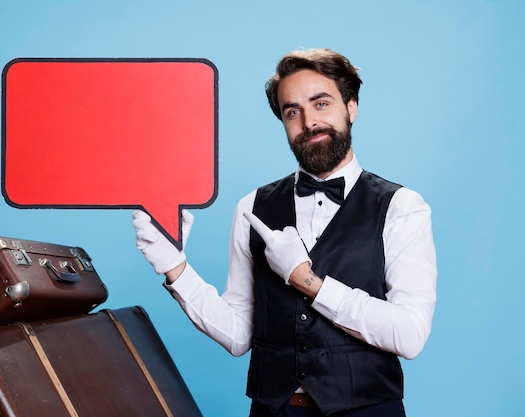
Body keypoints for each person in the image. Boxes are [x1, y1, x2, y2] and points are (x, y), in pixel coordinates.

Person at [132, 48, 437, 417]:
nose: (308, 122)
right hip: (274, 410)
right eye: (292, 111)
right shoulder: (252, 207)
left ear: (351, 107)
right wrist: (176, 268)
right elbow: (238, 334)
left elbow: (409, 334)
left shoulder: (402, 207)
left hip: (369, 410)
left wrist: (309, 282)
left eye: (321, 104)